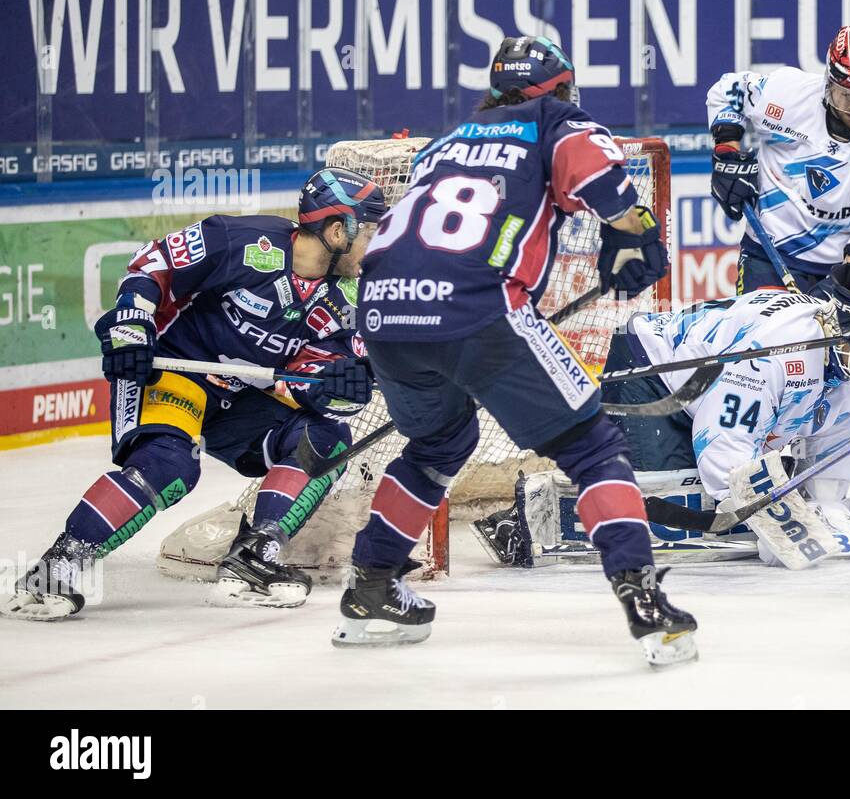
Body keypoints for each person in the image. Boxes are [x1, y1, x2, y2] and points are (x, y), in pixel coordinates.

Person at [335, 36, 694, 666]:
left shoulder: (443, 144)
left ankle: (370, 585)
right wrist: (631, 239)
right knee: (591, 445)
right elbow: (606, 185)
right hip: (477, 310)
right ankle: (642, 597)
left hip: (384, 313)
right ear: (558, 88)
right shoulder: (557, 121)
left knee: (440, 445)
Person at [3, 169, 382, 620]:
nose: (377, 246)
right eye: (371, 232)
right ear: (338, 230)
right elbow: (153, 266)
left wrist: (335, 384)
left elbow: (312, 375)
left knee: (326, 438)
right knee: (169, 465)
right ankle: (55, 570)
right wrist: (133, 327)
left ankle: (253, 559)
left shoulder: (349, 299)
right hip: (172, 371)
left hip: (242, 396)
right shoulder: (239, 240)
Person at [704, 25, 850, 515]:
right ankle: (756, 477)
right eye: (843, 93)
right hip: (768, 254)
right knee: (769, 359)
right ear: (827, 80)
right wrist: (727, 151)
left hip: (842, 267)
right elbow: (726, 90)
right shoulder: (787, 94)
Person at [602, 267, 850, 564]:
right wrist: (766, 519)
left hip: (709, 391)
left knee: (727, 510)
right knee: (666, 516)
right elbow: (724, 437)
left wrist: (825, 501)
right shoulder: (775, 351)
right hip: (652, 373)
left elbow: (842, 429)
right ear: (834, 330)